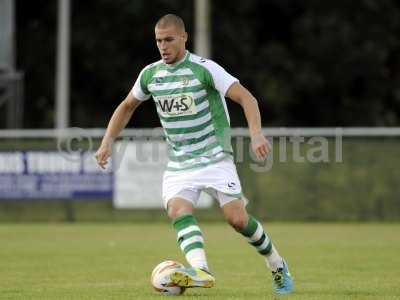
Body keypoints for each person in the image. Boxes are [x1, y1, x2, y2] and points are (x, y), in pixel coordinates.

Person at [95, 14, 293, 295]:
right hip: (179, 162)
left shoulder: (205, 69)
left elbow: (246, 98)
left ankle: (276, 263)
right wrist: (106, 142)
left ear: (184, 37)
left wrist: (256, 133)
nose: (163, 46)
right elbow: (127, 106)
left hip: (215, 155)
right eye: (158, 41)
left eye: (169, 40)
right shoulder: (150, 74)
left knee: (237, 219)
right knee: (178, 209)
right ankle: (202, 270)